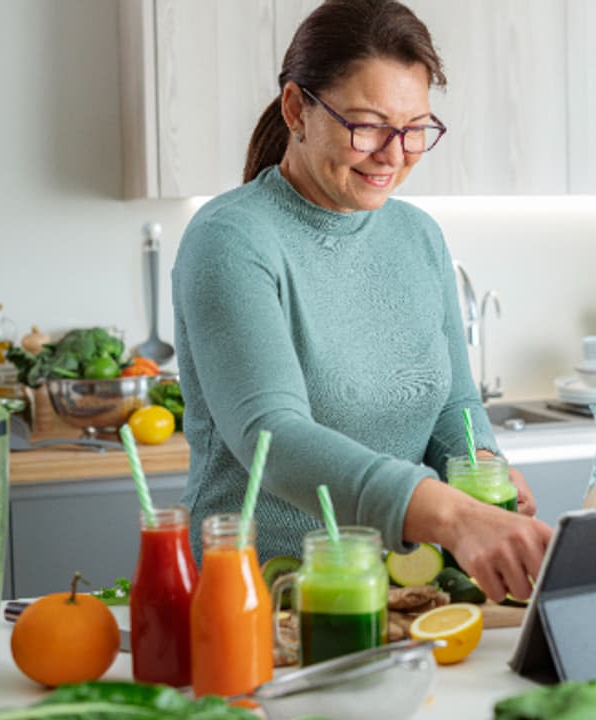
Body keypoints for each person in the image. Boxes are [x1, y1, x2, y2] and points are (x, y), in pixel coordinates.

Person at [171, 0, 552, 602]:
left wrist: (482, 470)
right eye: (368, 125)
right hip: (262, 592)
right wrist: (451, 515)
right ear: (298, 109)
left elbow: (453, 400)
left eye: (416, 129)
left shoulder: (418, 236)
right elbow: (274, 437)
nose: (394, 154)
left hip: (402, 589)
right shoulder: (231, 238)